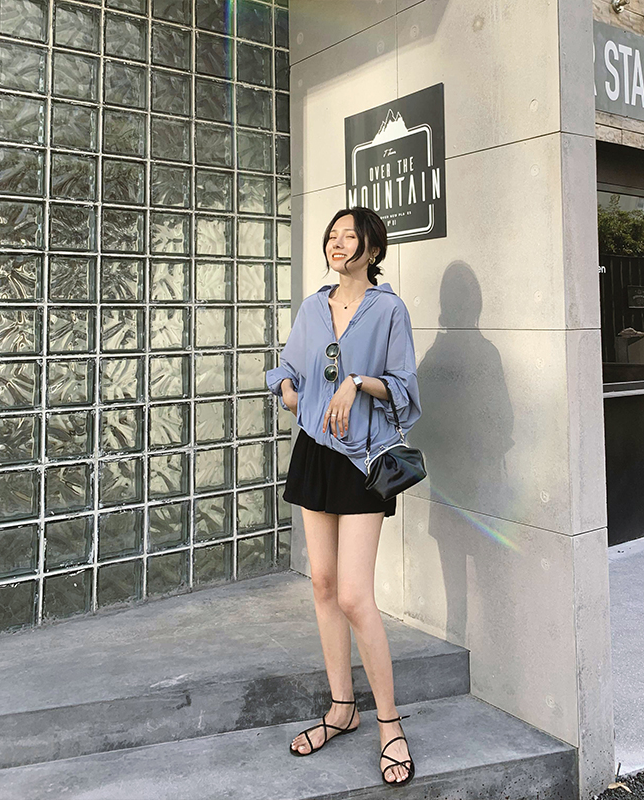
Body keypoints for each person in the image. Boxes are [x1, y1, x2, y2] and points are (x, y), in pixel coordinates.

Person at [266, 206, 421, 787]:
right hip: (314, 452)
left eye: (348, 237)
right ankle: (341, 708)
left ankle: (390, 724)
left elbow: (405, 388)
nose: (336, 244)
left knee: (356, 595)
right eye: (331, 236)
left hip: (362, 461)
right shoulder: (313, 307)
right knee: (324, 586)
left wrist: (357, 382)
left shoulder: (389, 310)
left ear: (372, 249)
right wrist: (288, 389)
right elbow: (287, 367)